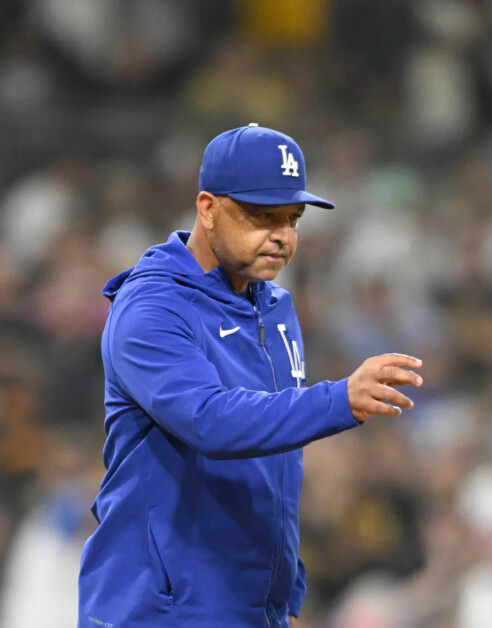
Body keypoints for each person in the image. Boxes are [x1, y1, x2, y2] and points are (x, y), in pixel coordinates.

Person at [77, 124, 424, 627]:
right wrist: (338, 400)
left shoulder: (276, 306)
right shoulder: (152, 307)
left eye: (293, 218)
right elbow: (209, 421)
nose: (282, 236)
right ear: (207, 207)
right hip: (157, 610)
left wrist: (283, 591)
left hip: (244, 608)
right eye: (262, 216)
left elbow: (273, 463)